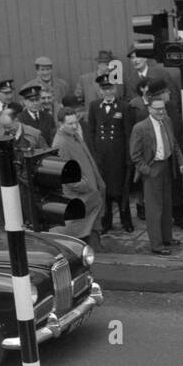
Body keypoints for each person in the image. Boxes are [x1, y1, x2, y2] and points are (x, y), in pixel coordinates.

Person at [129, 92, 177, 253]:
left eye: (162, 108)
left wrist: (182, 163)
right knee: (154, 209)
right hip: (152, 169)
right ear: (149, 109)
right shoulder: (140, 127)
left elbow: (174, 144)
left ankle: (167, 238)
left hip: (166, 167)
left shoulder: (167, 121)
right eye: (157, 109)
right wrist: (147, 171)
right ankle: (157, 245)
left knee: (167, 205)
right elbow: (135, 155)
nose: (161, 112)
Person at [86, 73, 133, 235]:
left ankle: (126, 220)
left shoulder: (123, 107)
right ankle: (106, 221)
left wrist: (128, 157)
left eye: (110, 88)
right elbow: (91, 132)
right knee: (104, 190)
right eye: (104, 89)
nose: (108, 92)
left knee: (121, 190)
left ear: (115, 89)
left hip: (118, 157)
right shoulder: (94, 106)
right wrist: (94, 155)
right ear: (100, 91)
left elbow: (128, 134)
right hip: (102, 157)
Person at [52, 105, 106, 240]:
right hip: (80, 197)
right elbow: (66, 178)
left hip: (90, 195)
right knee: (79, 234)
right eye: (70, 124)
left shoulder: (74, 135)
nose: (75, 126)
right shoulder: (60, 144)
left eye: (76, 122)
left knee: (90, 229)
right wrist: (87, 185)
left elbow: (89, 160)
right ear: (60, 124)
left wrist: (98, 182)